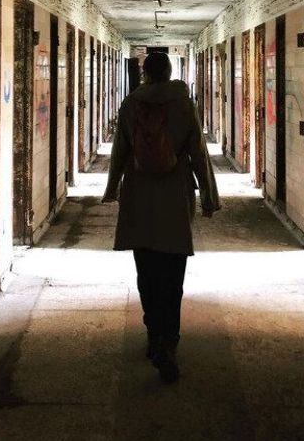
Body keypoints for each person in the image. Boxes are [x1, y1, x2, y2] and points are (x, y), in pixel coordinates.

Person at [101, 51, 219, 383]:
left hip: (139, 195)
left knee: (147, 272)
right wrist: (209, 196)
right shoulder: (183, 103)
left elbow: (120, 152)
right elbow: (198, 150)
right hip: (174, 197)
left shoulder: (130, 103)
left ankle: (153, 334)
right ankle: (170, 340)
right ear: (169, 72)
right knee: (173, 274)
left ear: (144, 73)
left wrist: (111, 188)